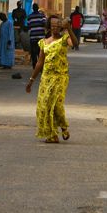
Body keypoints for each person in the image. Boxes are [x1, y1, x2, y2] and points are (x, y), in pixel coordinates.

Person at [26, 15, 78, 143]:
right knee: (45, 106)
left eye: (57, 25)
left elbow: (75, 43)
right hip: (46, 78)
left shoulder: (65, 39)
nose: (55, 27)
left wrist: (69, 29)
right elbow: (39, 62)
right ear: (49, 27)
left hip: (60, 77)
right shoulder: (44, 42)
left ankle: (63, 128)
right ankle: (53, 134)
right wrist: (31, 80)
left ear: (61, 27)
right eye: (52, 25)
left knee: (56, 104)